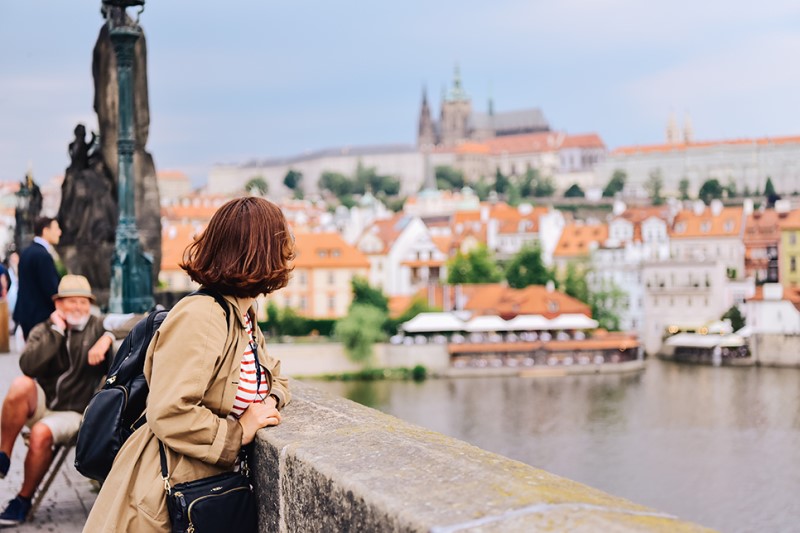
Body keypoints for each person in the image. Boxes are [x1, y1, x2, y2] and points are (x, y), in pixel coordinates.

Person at [84, 197, 294, 532]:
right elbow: (169, 411)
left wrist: (268, 402)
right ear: (261, 251)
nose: (288, 254)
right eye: (283, 243)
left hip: (202, 488)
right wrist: (239, 432)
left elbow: (276, 377)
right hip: (164, 491)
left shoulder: (242, 314)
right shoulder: (203, 315)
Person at [0, 275, 116, 525]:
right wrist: (56, 332)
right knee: (21, 384)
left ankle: (22, 499)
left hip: (74, 412)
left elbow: (133, 325)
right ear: (59, 305)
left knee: (41, 433)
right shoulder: (44, 330)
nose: (78, 308)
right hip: (43, 404)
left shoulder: (98, 327)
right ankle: (4, 455)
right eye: (72, 301)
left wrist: (107, 339)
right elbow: (28, 366)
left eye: (83, 302)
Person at [13, 217, 62, 340]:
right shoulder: (43, 255)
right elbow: (51, 289)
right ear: (45, 231)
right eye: (56, 228)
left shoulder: (27, 252)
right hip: (40, 318)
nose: (60, 232)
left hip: (27, 315)